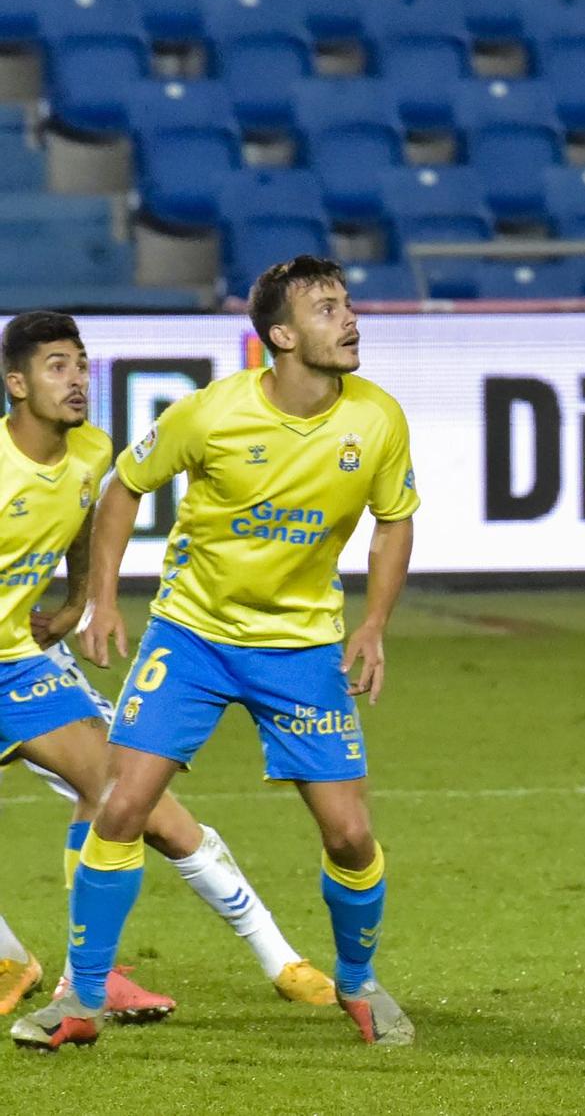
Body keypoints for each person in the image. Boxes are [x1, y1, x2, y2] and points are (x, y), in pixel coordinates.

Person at [11, 259, 420, 1051]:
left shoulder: (378, 419)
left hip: (302, 648)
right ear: (281, 335)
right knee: (123, 804)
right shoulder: (211, 412)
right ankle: (82, 999)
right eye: (327, 307)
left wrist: (372, 624)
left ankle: (360, 980)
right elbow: (127, 484)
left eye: (347, 304)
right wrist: (102, 600)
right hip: (191, 637)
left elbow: (394, 517)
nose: (349, 318)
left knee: (349, 835)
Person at [0, 311, 332, 1029]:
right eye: (57, 365)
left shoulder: (92, 451)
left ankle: (268, 961)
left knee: (127, 795)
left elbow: (86, 518)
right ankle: (8, 957)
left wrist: (75, 600)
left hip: (20, 665)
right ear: (16, 383)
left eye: (82, 363)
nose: (78, 379)